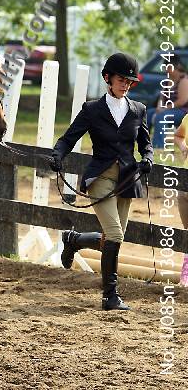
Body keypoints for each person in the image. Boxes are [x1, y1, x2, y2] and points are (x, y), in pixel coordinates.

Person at [50, 52, 154, 311]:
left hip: (127, 180)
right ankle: (110, 296)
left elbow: (146, 144)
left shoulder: (138, 110)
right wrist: (57, 155)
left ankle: (74, 240)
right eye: (121, 80)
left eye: (129, 81)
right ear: (108, 78)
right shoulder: (92, 110)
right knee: (115, 235)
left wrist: (148, 158)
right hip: (101, 178)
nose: (125, 85)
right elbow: (68, 138)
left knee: (112, 237)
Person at [148, 55, 188, 149]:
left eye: (169, 67)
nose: (167, 70)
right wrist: (159, 107)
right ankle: (143, 141)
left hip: (182, 112)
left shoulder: (184, 80)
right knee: (148, 113)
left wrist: (164, 109)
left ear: (177, 66)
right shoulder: (167, 80)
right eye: (166, 67)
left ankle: (158, 146)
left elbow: (182, 101)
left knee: (162, 116)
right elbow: (162, 97)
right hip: (169, 110)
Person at [174, 116, 188, 286]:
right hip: (184, 184)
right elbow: (178, 135)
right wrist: (183, 147)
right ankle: (185, 274)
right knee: (187, 231)